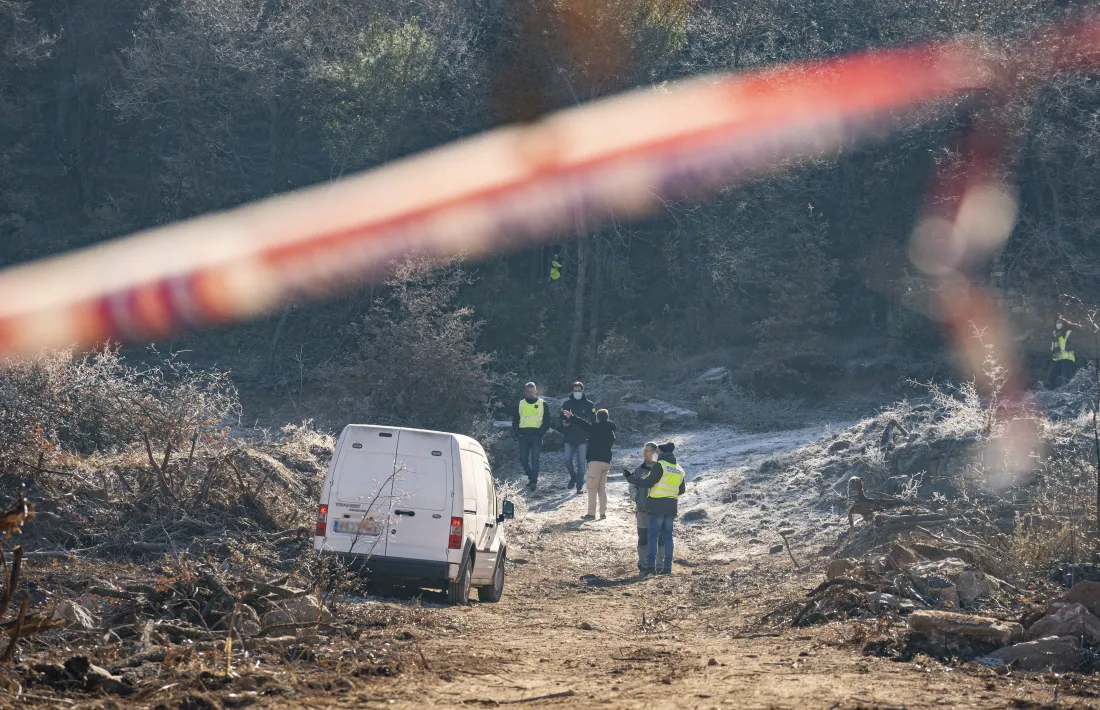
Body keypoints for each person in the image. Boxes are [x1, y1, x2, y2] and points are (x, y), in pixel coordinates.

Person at [625, 442, 685, 575]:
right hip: (671, 507)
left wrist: (631, 478)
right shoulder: (679, 469)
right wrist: (669, 494)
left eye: (658, 452)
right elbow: (681, 490)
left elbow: (647, 483)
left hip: (656, 506)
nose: (657, 454)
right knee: (668, 538)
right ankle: (667, 568)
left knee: (652, 537)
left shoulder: (660, 465)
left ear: (662, 453)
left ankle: (651, 567)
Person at [561, 407, 615, 520]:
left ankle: (591, 513)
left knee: (592, 488)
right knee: (601, 489)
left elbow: (583, 424)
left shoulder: (595, 428)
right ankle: (602, 513)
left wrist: (571, 417)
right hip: (606, 462)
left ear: (598, 418)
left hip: (595, 462)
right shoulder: (611, 431)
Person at [624, 442, 664, 574]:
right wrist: (635, 497)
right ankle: (643, 564)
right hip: (642, 510)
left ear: (655, 452)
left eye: (648, 451)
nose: (645, 453)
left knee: (659, 537)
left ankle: (659, 565)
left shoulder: (662, 468)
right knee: (643, 537)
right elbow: (632, 485)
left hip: (658, 510)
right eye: (644, 451)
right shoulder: (639, 469)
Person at [512, 382, 549, 490]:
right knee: (523, 459)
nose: (531, 394)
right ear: (525, 392)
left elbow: (547, 421)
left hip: (536, 436)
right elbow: (515, 421)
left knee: (535, 459)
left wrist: (540, 433)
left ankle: (534, 481)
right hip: (523, 436)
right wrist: (518, 433)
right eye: (529, 392)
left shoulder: (543, 404)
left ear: (536, 391)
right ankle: (531, 477)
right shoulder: (521, 404)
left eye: (533, 392)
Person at [559, 381, 595, 492]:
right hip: (569, 437)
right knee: (567, 459)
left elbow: (593, 421)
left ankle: (579, 486)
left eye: (579, 391)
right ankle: (573, 477)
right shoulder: (566, 404)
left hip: (584, 438)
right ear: (572, 391)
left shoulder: (589, 405)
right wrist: (563, 423)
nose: (577, 393)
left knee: (581, 463)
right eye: (575, 391)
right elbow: (560, 418)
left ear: (583, 391)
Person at [1048, 319, 1077, 389]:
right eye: (1057, 322)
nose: (1058, 324)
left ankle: (1069, 395)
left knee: (1066, 379)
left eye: (1060, 322)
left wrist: (1064, 354)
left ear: (1064, 324)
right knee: (1050, 378)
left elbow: (1075, 347)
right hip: (1057, 359)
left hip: (1068, 359)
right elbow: (1054, 347)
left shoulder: (1068, 333)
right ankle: (1053, 394)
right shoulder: (1055, 334)